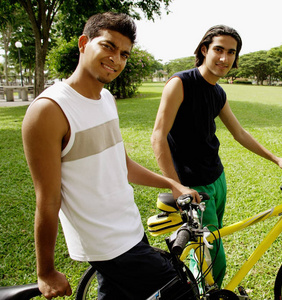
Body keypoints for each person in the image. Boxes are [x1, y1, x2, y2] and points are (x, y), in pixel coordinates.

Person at [22, 12, 200, 300]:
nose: (116, 59)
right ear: (83, 43)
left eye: (124, 54)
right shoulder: (49, 110)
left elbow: (123, 164)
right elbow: (48, 198)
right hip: (107, 244)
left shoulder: (106, 99)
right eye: (108, 46)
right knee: (183, 293)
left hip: (130, 227)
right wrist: (46, 271)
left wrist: (172, 184)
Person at [151, 24, 282, 287]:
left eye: (231, 52)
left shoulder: (218, 92)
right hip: (192, 187)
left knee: (208, 247)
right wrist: (176, 186)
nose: (224, 58)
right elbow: (158, 136)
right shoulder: (180, 83)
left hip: (217, 181)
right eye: (218, 49)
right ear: (204, 49)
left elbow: (239, 133)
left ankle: (201, 290)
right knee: (214, 259)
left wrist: (277, 159)